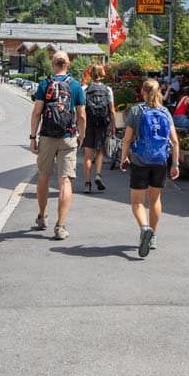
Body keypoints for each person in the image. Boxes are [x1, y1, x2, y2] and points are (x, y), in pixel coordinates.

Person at [120, 78, 180, 258]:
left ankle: (144, 228)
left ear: (143, 92)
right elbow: (175, 141)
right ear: (159, 92)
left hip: (139, 161)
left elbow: (127, 139)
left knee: (138, 201)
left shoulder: (136, 111)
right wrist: (175, 164)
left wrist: (124, 157)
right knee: (155, 199)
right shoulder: (165, 112)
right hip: (160, 162)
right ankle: (152, 236)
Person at [29, 52, 86, 240]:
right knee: (65, 180)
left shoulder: (45, 84)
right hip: (68, 136)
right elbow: (82, 116)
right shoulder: (76, 85)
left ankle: (42, 216)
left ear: (53, 64)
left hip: (46, 135)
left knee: (44, 176)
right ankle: (60, 226)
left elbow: (37, 113)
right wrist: (81, 135)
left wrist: (32, 137)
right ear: (68, 64)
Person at [81, 64, 115, 194]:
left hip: (89, 124)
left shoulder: (85, 89)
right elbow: (111, 110)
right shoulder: (108, 90)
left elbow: (82, 110)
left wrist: (80, 127)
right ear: (102, 74)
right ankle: (98, 175)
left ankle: (87, 183)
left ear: (91, 74)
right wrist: (113, 126)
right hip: (102, 124)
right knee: (100, 151)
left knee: (87, 155)